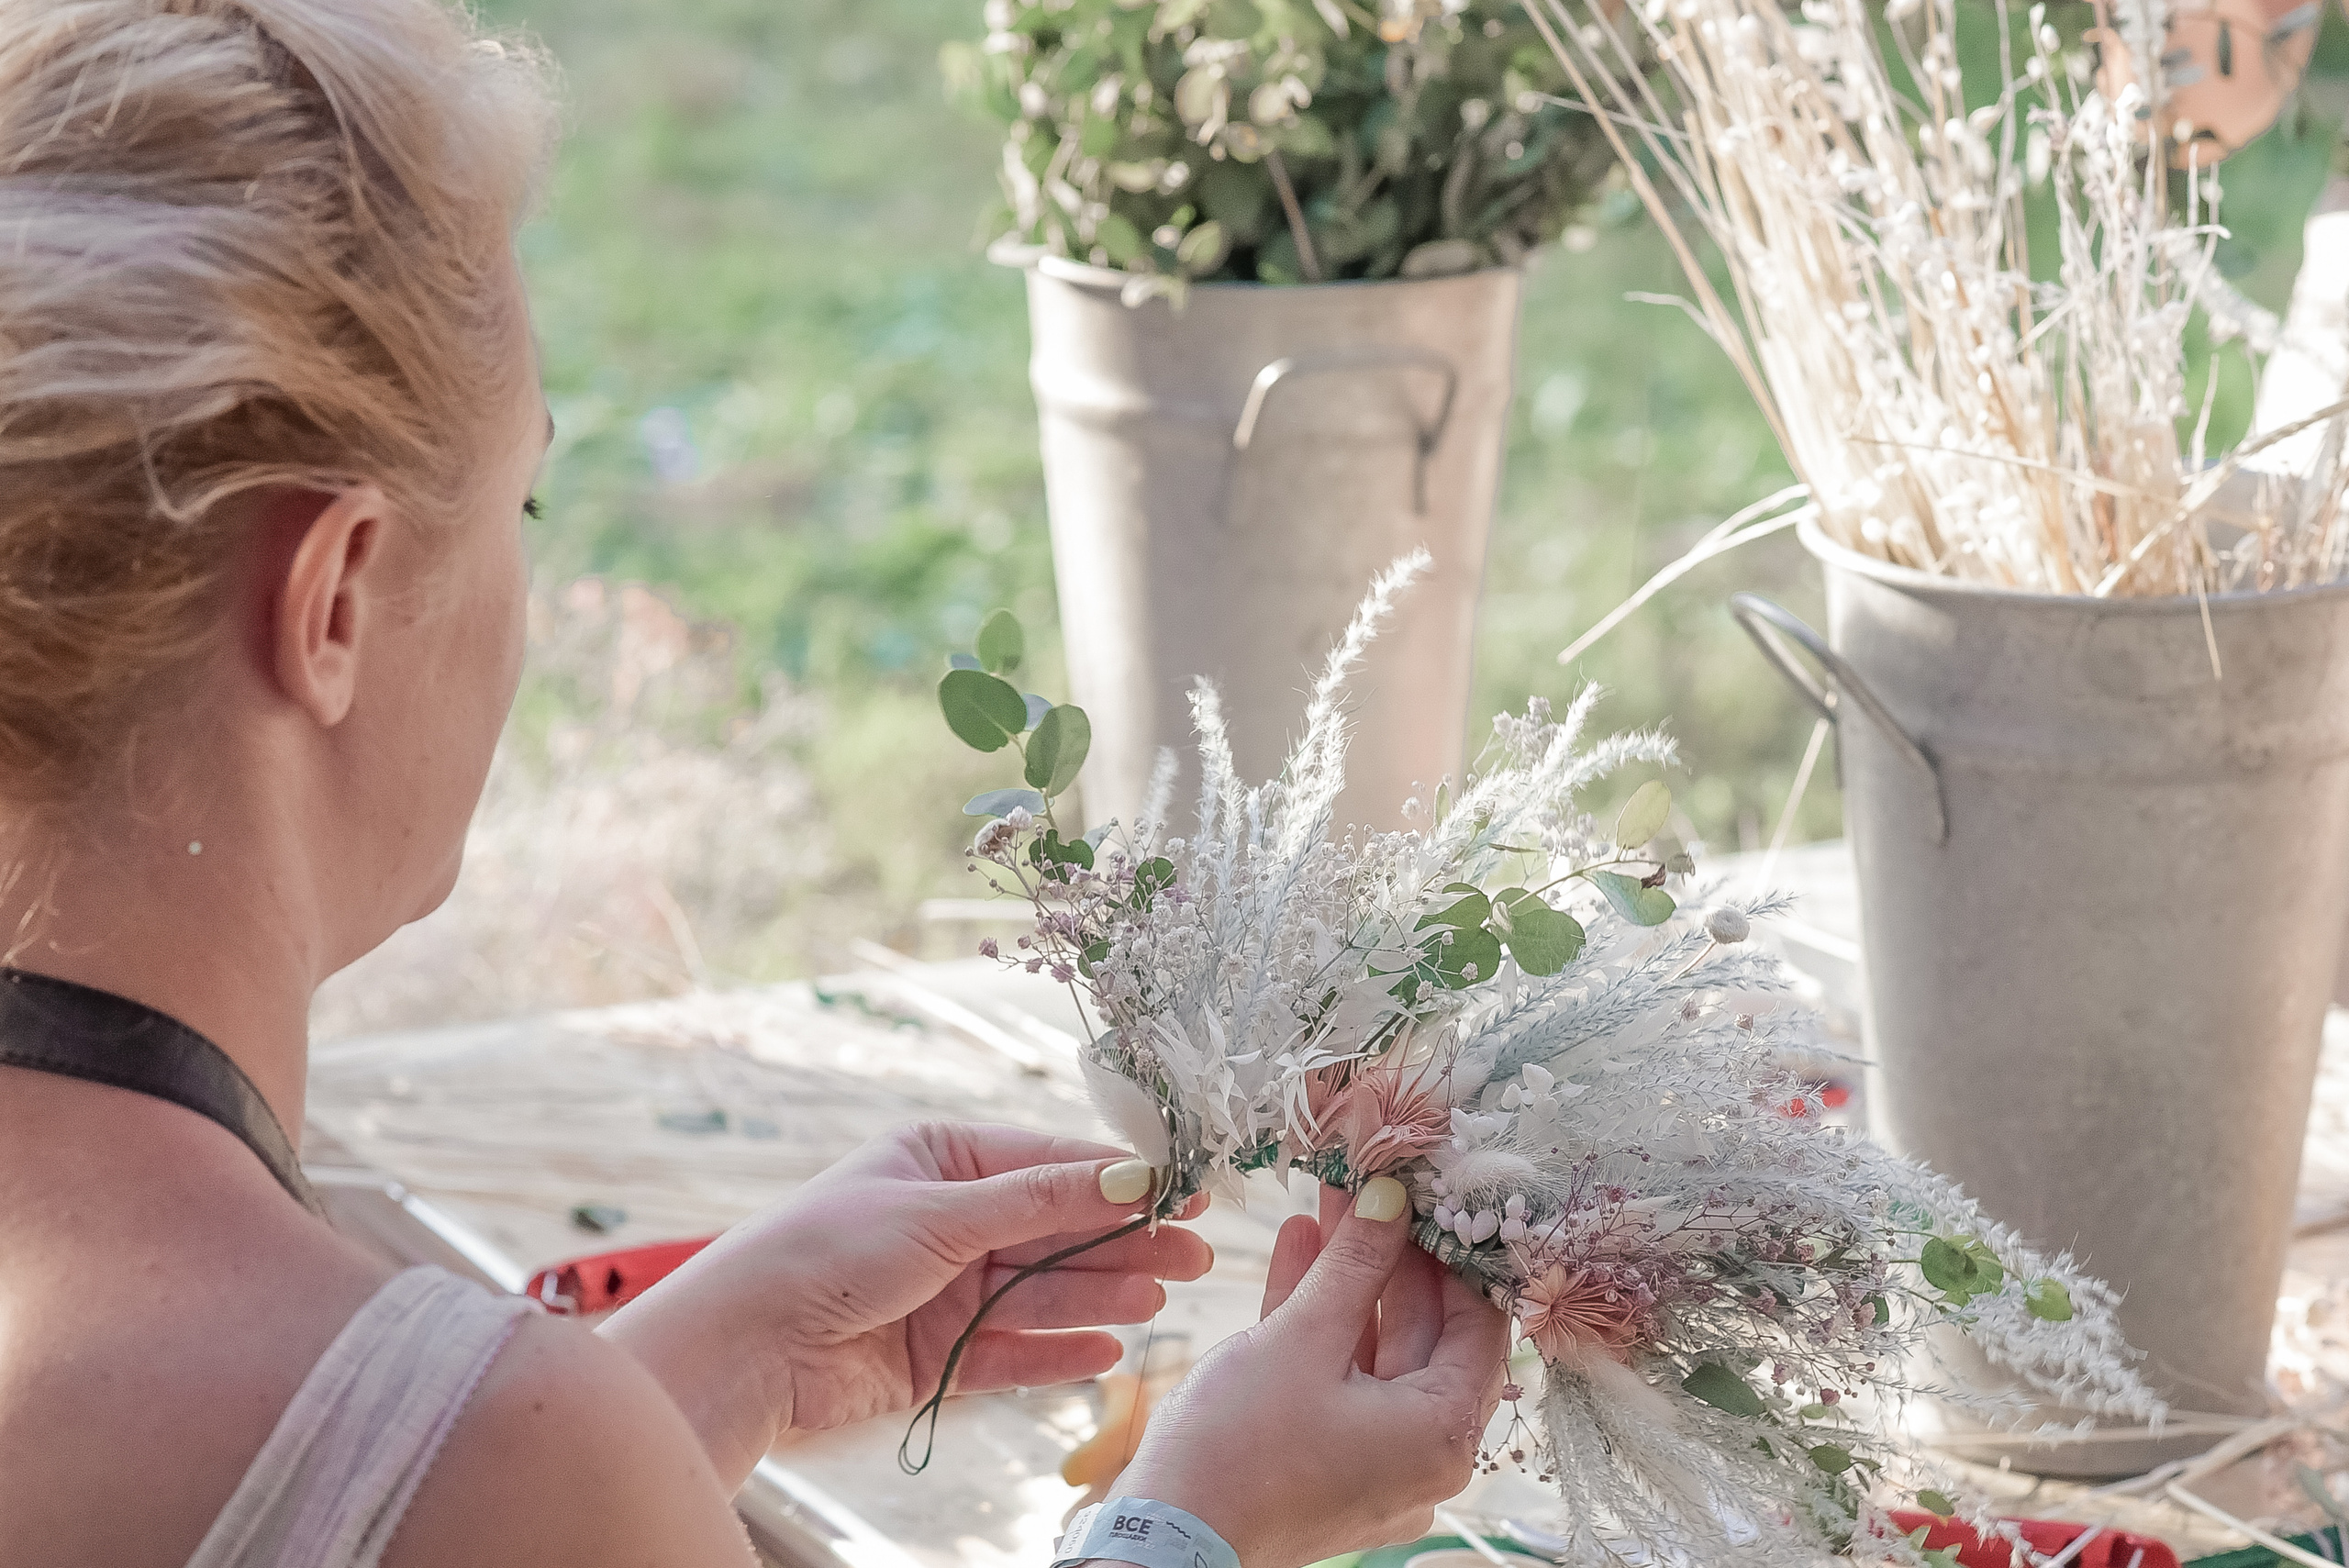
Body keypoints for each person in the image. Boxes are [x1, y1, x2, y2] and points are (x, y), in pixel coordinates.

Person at [0, 4, 1508, 1567]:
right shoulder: (497, 1466)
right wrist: (1200, 1520)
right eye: (521, 490)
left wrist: (689, 1372)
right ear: (331, 598)